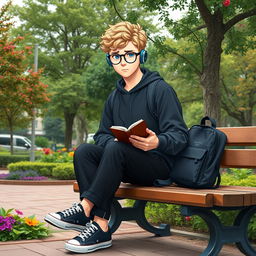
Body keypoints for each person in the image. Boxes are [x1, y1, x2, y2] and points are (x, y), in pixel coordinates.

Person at [45, 21, 188, 254]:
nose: (123, 61)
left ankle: (86, 209)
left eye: (129, 54)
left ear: (142, 55)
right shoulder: (114, 97)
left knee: (116, 149)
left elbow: (180, 136)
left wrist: (157, 141)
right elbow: (101, 135)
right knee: (84, 151)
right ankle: (100, 226)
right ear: (109, 59)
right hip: (124, 163)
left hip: (158, 167)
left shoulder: (160, 90)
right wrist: (113, 141)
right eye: (115, 56)